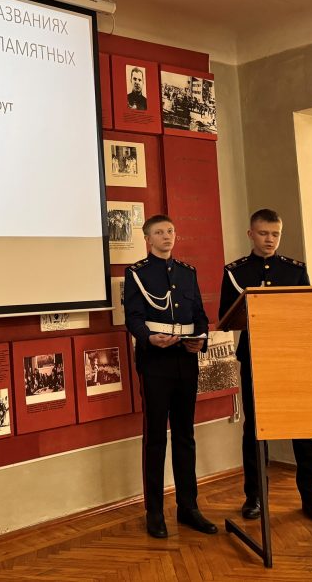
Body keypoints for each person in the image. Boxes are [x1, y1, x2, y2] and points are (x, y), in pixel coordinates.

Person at [219, 208, 312, 521]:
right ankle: (255, 496)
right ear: (251, 234)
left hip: (292, 358)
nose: (270, 239)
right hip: (255, 357)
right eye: (264, 233)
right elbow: (226, 316)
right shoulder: (235, 272)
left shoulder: (295, 270)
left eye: (275, 234)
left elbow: (308, 313)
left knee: (304, 428)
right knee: (255, 429)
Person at [123, 214, 217, 538]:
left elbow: (200, 316)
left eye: (171, 231)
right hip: (155, 362)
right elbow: (133, 318)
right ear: (148, 239)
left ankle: (188, 507)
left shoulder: (187, 273)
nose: (167, 236)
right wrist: (149, 338)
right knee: (155, 438)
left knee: (185, 435)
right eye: (160, 232)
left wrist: (201, 339)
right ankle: (154, 512)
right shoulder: (137, 273)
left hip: (185, 359)